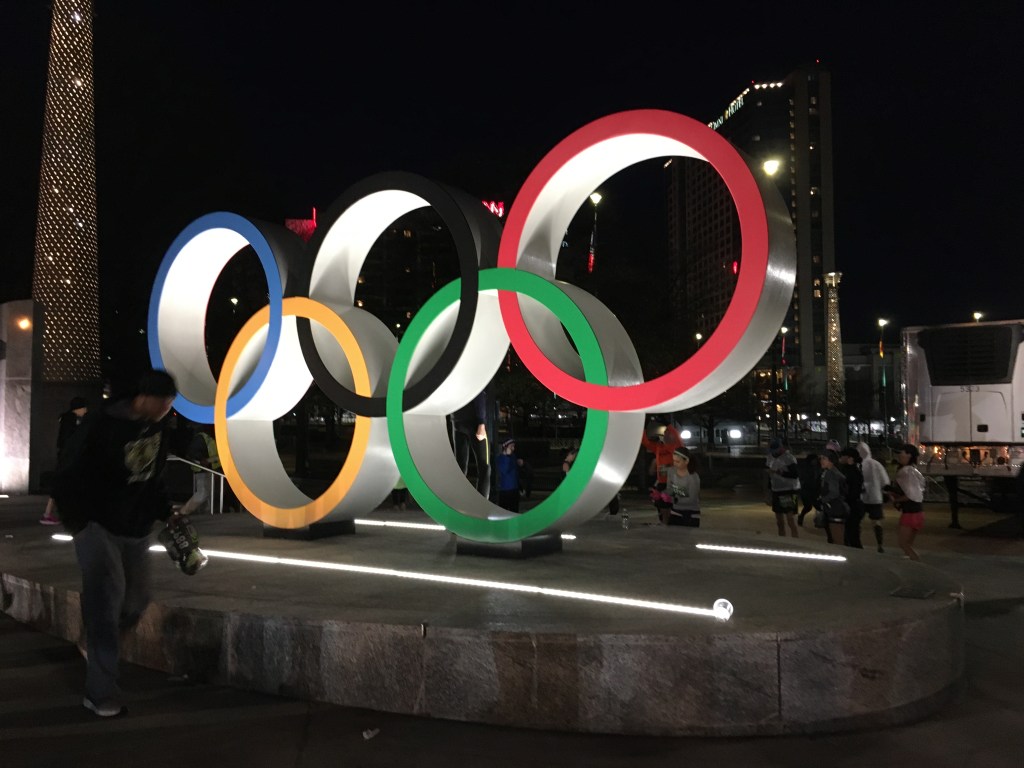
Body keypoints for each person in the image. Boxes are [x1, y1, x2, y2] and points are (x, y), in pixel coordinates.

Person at [51, 369, 178, 717]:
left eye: (171, 403)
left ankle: (90, 641)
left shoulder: (158, 428)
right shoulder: (101, 424)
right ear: (144, 397)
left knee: (137, 601)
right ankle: (100, 693)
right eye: (163, 402)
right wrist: (78, 521)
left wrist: (167, 514)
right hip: (96, 524)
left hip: (135, 527)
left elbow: (154, 478)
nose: (168, 408)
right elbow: (67, 472)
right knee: (105, 601)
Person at [40, 396, 89, 525]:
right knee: (63, 484)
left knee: (63, 484)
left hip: (65, 456)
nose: (85, 410)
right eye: (84, 407)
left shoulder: (67, 418)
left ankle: (49, 513)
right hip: (69, 458)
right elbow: (71, 439)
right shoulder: (71, 420)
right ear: (78, 408)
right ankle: (49, 514)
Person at [887, 443, 926, 561]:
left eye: (902, 453)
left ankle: (918, 567)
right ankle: (914, 562)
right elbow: (918, 491)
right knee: (908, 544)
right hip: (918, 513)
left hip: (910, 513)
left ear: (909, 455)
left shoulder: (906, 472)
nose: (899, 455)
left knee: (903, 544)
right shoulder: (914, 470)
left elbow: (910, 495)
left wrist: (896, 499)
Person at [451, 389, 490, 500]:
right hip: (474, 423)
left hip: (457, 421)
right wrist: (481, 422)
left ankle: (458, 499)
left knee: (461, 464)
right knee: (484, 466)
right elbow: (479, 394)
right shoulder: (475, 375)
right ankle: (481, 501)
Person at [178, 424, 221, 515]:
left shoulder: (210, 437)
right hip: (202, 469)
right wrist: (203, 460)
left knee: (207, 492)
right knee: (203, 492)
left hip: (209, 469)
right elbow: (192, 453)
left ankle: (206, 512)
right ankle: (183, 511)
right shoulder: (202, 438)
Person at [857, 441, 890, 553]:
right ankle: (880, 544)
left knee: (858, 521)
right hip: (876, 497)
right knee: (876, 522)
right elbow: (885, 481)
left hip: (862, 497)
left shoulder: (859, 465)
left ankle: (858, 543)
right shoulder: (876, 464)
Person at [766, 437, 800, 537]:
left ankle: (795, 541)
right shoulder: (770, 457)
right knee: (779, 521)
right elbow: (770, 476)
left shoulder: (789, 458)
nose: (774, 452)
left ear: (781, 448)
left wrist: (778, 472)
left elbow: (794, 474)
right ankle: (782, 541)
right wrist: (769, 491)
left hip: (789, 490)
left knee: (790, 520)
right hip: (776, 490)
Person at [663, 448, 701, 526]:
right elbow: (669, 489)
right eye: (673, 461)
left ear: (686, 461)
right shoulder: (671, 472)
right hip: (675, 511)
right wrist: (662, 495)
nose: (675, 464)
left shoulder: (693, 477)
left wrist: (673, 499)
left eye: (678, 461)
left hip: (691, 513)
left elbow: (692, 498)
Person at [818, 450, 848, 545]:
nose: (821, 461)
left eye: (824, 458)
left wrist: (822, 500)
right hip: (838, 507)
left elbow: (834, 492)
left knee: (837, 539)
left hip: (835, 507)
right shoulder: (834, 472)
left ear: (831, 460)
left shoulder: (831, 473)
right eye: (821, 458)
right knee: (837, 537)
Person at [641, 420, 682, 489]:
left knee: (674, 498)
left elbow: (677, 438)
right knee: (660, 497)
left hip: (674, 480)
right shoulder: (658, 447)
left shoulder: (675, 446)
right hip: (662, 480)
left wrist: (668, 425)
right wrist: (643, 428)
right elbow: (645, 442)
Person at [838, 447, 866, 548]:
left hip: (852, 506)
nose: (840, 458)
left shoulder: (851, 472)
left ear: (849, 458)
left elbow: (852, 492)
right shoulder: (854, 470)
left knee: (852, 535)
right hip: (854, 505)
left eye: (843, 455)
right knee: (851, 535)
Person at [496, 438, 524, 513]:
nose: (513, 448)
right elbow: (504, 470)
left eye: (513, 446)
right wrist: (507, 457)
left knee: (514, 511)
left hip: (514, 490)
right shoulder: (501, 458)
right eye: (511, 446)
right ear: (505, 447)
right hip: (505, 491)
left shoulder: (513, 456)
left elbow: (515, 473)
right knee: (503, 512)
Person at [796, 451, 821, 526]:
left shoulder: (818, 468)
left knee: (818, 507)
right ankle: (801, 516)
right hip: (806, 490)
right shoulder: (805, 468)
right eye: (814, 460)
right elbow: (804, 479)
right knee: (808, 507)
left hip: (815, 490)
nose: (815, 462)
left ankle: (819, 521)